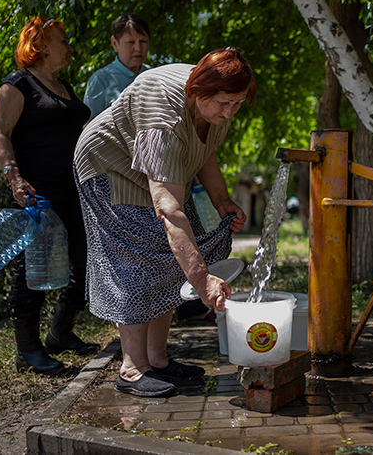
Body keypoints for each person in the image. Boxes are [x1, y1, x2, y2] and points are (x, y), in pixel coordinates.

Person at [73, 48, 253, 398]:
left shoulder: (214, 103)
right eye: (224, 103)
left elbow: (205, 151)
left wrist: (221, 200)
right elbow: (169, 210)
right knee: (138, 261)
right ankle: (131, 368)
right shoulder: (163, 116)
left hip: (160, 176)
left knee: (173, 260)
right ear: (199, 91)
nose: (230, 112)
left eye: (238, 104)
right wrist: (201, 280)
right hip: (109, 168)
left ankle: (156, 359)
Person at [0, 16, 99, 376]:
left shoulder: (63, 86)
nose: (70, 46)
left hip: (75, 191)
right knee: (31, 273)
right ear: (41, 44)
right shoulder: (17, 84)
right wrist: (14, 177)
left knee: (84, 266)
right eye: (63, 40)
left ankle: (60, 333)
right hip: (36, 196)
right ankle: (28, 350)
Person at [83, 13, 150, 117]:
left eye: (143, 41)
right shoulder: (100, 80)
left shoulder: (154, 75)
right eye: (130, 42)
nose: (138, 48)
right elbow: (89, 127)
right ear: (114, 43)